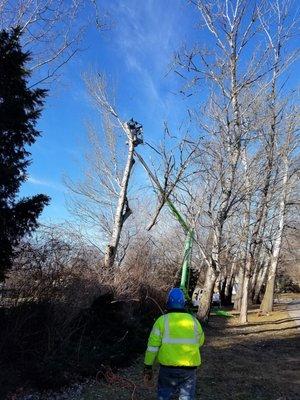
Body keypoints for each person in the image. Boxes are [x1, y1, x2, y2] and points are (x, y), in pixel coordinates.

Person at [143, 288, 205, 400]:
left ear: (168, 303)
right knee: (186, 397)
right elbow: (200, 341)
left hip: (167, 369)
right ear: (183, 303)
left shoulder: (162, 321)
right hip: (189, 370)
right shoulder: (193, 321)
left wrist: (148, 365)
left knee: (164, 395)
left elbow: (152, 347)